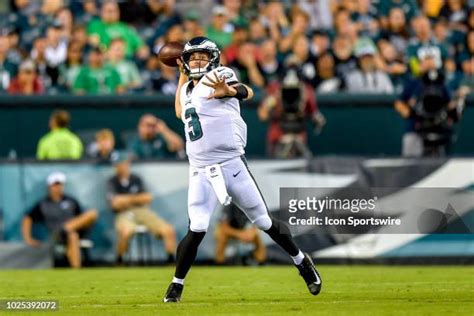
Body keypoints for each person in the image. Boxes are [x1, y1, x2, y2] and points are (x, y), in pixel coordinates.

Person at [163, 37, 322, 303]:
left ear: (213, 58)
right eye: (193, 58)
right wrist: (181, 76)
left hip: (231, 164)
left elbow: (246, 91)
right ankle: (176, 285)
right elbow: (180, 112)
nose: (198, 61)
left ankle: (301, 261)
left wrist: (230, 91)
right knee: (198, 227)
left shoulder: (220, 75)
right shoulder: (186, 88)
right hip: (201, 169)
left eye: (203, 56)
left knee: (263, 222)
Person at [107, 153, 177, 264]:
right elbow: (115, 204)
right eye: (119, 163)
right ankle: (119, 261)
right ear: (115, 166)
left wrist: (125, 200)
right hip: (124, 213)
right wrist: (136, 199)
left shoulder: (136, 179)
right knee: (125, 232)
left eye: (125, 162)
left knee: (168, 230)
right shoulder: (112, 181)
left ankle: (172, 262)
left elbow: (147, 198)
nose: (123, 165)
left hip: (142, 211)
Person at [21, 172, 98, 268]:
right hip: (57, 235)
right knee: (72, 235)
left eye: (60, 185)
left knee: (91, 215)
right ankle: (76, 268)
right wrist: (28, 239)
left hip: (73, 231)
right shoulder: (43, 204)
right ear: (49, 186)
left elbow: (81, 218)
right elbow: (27, 218)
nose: (58, 188)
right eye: (55, 185)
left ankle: (67, 229)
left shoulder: (71, 201)